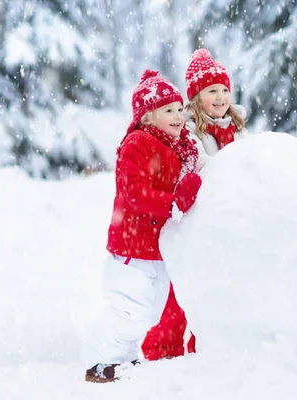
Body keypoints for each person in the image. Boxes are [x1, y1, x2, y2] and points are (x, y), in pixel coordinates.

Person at [82, 70, 201, 383]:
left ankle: (125, 357)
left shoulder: (178, 146)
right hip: (132, 249)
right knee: (130, 311)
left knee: (148, 314)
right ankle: (100, 359)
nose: (178, 116)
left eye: (179, 109)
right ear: (149, 116)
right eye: (169, 110)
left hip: (156, 249)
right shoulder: (138, 143)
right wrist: (174, 202)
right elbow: (135, 192)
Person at [184, 48, 248, 170]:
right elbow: (200, 164)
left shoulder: (237, 127)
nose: (220, 97)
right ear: (196, 99)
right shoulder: (191, 131)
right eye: (213, 91)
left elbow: (250, 157)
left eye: (225, 90)